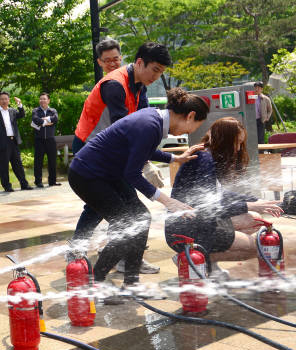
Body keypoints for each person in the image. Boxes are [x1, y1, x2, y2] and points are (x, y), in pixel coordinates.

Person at [68, 88, 208, 300]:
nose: (189, 133)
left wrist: (174, 159)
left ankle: (131, 285)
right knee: (128, 224)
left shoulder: (154, 121)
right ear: (190, 116)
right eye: (193, 127)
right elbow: (132, 174)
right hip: (88, 175)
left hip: (107, 173)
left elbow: (143, 150)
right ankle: (95, 283)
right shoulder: (149, 125)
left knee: (140, 219)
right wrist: (167, 201)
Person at [72, 41, 173, 276]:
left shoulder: (139, 84)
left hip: (113, 149)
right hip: (91, 147)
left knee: (120, 206)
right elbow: (125, 130)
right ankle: (93, 254)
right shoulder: (114, 85)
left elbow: (147, 122)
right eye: (155, 70)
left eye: (116, 59)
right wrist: (145, 163)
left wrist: (151, 157)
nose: (156, 77)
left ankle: (127, 257)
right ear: (139, 63)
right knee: (103, 204)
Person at [165, 117, 283, 277]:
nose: (238, 149)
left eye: (241, 143)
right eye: (236, 143)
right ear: (225, 141)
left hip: (201, 221)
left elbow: (221, 195)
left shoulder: (208, 156)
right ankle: (194, 257)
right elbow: (210, 206)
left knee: (254, 219)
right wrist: (250, 205)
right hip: (187, 228)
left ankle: (210, 263)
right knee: (257, 247)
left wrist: (255, 201)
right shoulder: (203, 160)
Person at [71, 37, 122, 154]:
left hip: (103, 143)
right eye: (107, 60)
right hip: (87, 143)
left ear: (121, 57)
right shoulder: (108, 85)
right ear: (99, 62)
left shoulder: (124, 81)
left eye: (115, 59)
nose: (112, 64)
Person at [0, 92, 33, 192]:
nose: (4, 101)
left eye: (6, 99)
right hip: (2, 142)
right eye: (2, 99)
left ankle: (24, 184)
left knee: (18, 164)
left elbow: (22, 115)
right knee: (4, 165)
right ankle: (7, 186)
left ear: (9, 100)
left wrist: (19, 104)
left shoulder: (12, 111)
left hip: (14, 141)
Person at [32, 92, 60, 187]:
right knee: (38, 161)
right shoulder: (35, 110)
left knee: (52, 161)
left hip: (50, 139)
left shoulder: (53, 110)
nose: (42, 100)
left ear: (48, 100)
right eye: (41, 99)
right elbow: (35, 119)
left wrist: (44, 119)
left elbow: (55, 118)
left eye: (44, 99)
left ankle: (52, 181)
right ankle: (38, 182)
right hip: (39, 140)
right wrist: (46, 122)